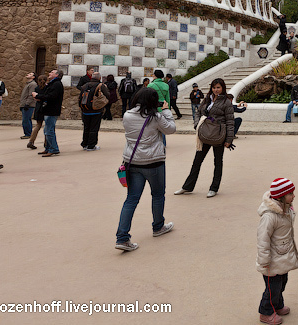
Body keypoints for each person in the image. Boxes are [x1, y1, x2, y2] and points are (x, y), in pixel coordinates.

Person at [115, 87, 176, 252]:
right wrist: (166, 111)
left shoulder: (127, 115)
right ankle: (158, 226)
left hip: (133, 162)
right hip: (153, 162)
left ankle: (122, 237)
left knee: (131, 199)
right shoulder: (155, 117)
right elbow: (171, 129)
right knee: (157, 195)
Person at [176, 78, 234, 198]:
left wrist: (229, 139)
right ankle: (187, 186)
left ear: (222, 88)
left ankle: (214, 188)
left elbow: (230, 121)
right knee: (197, 161)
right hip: (204, 134)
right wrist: (197, 125)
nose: (216, 90)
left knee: (217, 162)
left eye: (218, 87)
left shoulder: (226, 102)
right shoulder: (207, 99)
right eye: (214, 87)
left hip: (218, 135)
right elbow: (198, 113)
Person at [257, 178, 298, 325]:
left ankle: (277, 305)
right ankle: (266, 312)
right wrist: (264, 260)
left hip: (282, 255)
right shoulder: (269, 216)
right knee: (272, 288)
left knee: (282, 283)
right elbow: (263, 239)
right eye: (290, 194)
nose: (293, 196)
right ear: (281, 197)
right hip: (271, 260)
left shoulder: (286, 208)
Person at [33, 68, 63, 157]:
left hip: (52, 110)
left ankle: (53, 149)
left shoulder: (56, 84)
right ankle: (48, 148)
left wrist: (38, 96)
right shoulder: (53, 83)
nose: (49, 73)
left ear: (57, 75)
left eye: (52, 72)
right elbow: (47, 95)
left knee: (49, 130)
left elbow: (51, 96)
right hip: (48, 110)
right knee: (47, 130)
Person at [78, 72, 109, 151]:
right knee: (94, 128)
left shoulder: (85, 85)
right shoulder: (100, 86)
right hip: (96, 110)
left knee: (86, 127)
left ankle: (85, 144)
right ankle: (91, 145)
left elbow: (80, 97)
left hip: (85, 109)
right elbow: (108, 95)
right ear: (99, 78)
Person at [26, 74, 48, 150]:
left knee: (38, 125)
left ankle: (31, 141)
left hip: (38, 107)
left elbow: (35, 98)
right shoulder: (47, 88)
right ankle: (46, 142)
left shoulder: (37, 88)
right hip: (46, 107)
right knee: (47, 126)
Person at [19, 72, 37, 139]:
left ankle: (28, 134)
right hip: (25, 104)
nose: (27, 74)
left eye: (30, 74)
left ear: (33, 77)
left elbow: (31, 95)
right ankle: (27, 133)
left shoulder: (33, 84)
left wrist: (27, 104)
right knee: (25, 119)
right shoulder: (28, 84)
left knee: (26, 120)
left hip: (29, 105)